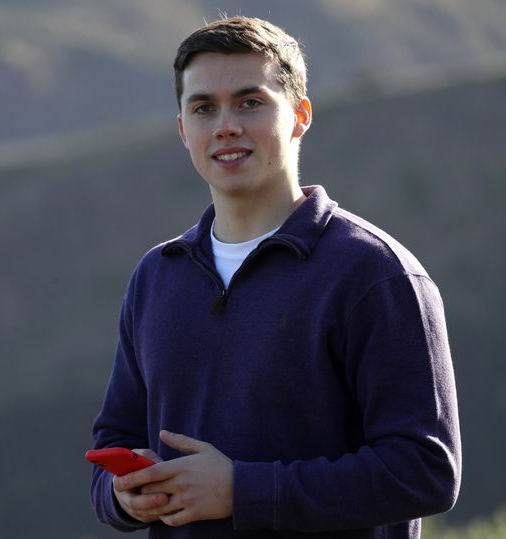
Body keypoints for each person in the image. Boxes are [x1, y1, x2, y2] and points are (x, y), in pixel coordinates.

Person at [89, 15, 461, 538]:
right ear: (183, 130)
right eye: (203, 108)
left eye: (250, 101)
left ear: (300, 115)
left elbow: (425, 471)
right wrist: (124, 497)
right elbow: (114, 447)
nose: (226, 126)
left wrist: (241, 490)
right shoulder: (157, 277)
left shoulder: (375, 274)